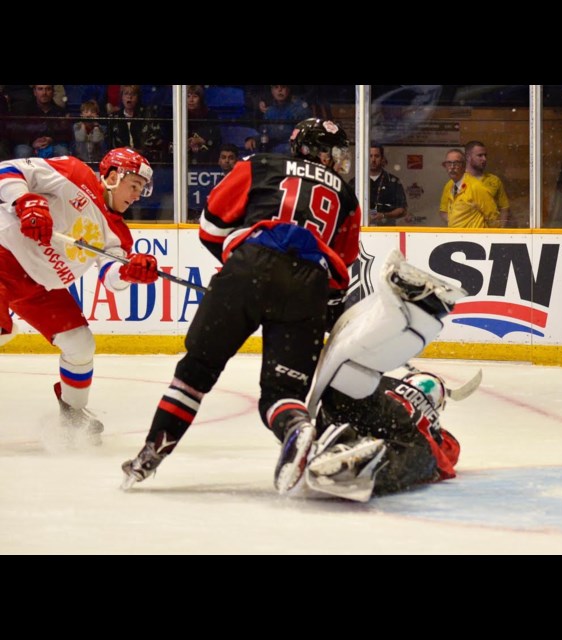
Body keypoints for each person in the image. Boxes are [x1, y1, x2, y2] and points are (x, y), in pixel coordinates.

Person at [120, 118, 361, 491]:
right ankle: (297, 429)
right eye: (334, 152)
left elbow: (211, 227)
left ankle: (151, 453)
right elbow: (339, 267)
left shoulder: (259, 164)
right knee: (283, 394)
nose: (339, 160)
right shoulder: (348, 197)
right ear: (317, 152)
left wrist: (241, 268)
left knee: (196, 371)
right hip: (308, 286)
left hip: (247, 268)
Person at [0, 147, 159, 443]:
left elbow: (111, 276)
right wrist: (26, 201)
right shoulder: (73, 172)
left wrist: (129, 273)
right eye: (134, 185)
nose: (137, 195)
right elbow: (7, 171)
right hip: (4, 256)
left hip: (41, 288)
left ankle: (72, 414)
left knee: (80, 344)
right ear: (113, 176)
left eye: (141, 190)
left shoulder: (119, 234)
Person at [294, 248, 468, 501]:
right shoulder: (435, 426)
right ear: (437, 403)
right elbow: (445, 462)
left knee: (350, 386)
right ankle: (367, 467)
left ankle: (339, 440)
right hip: (385, 422)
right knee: (422, 456)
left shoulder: (391, 384)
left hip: (344, 404)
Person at [438, 149, 500, 228]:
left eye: (456, 163)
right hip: (456, 237)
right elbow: (445, 212)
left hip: (474, 239)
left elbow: (493, 218)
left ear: (464, 166)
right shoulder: (450, 186)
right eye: (449, 163)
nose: (452, 167)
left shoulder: (476, 187)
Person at [348, 144, 407, 226]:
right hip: (362, 229)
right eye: (370, 156)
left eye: (377, 156)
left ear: (382, 159)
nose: (373, 160)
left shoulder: (393, 181)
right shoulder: (356, 182)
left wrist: (383, 216)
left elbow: (402, 210)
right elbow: (347, 209)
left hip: (387, 230)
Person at [9, 85, 71, 159]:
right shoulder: (23, 110)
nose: (44, 93)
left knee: (63, 152)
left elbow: (65, 135)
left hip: (53, 144)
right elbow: (17, 133)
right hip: (28, 144)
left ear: (53, 92)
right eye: (40, 89)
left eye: (48, 89)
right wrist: (32, 142)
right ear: (35, 92)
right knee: (23, 152)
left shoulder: (60, 112)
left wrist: (51, 140)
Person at [464, 140, 510, 227]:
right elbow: (445, 211)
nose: (484, 159)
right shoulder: (457, 182)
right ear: (468, 157)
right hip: (465, 234)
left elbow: (504, 207)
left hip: (490, 234)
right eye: (480, 155)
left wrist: (501, 230)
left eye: (485, 155)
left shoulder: (494, 180)